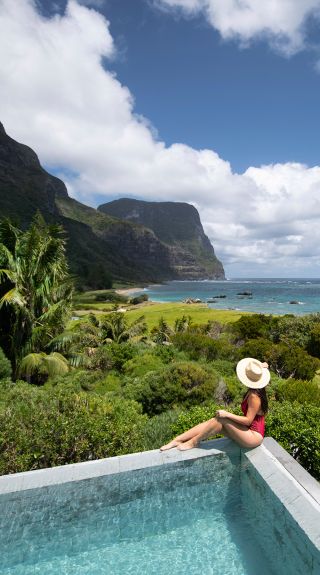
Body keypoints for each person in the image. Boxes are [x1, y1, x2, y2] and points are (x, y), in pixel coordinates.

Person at [160, 357, 270, 451]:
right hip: (247, 431)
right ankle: (177, 439)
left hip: (253, 437)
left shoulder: (254, 396)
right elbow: (264, 366)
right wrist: (262, 366)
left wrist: (227, 414)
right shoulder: (255, 390)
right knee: (214, 421)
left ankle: (193, 442)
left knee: (221, 419)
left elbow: (248, 420)